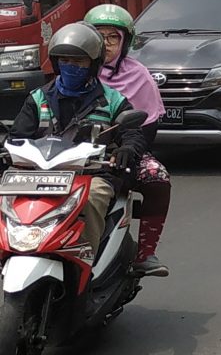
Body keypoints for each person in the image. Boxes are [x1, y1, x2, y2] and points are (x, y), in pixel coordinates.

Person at [7, 23, 148, 264]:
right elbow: (17, 137)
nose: (71, 67)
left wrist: (127, 148)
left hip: (89, 174)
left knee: (94, 197)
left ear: (93, 64)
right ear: (55, 62)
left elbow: (133, 132)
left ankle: (85, 263)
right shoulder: (37, 98)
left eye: (79, 61)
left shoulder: (113, 100)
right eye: (65, 60)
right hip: (38, 175)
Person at [85, 4, 172, 277]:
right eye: (100, 37)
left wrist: (125, 151)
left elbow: (147, 128)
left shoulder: (139, 75)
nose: (107, 44)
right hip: (74, 154)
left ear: (125, 42)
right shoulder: (75, 71)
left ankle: (145, 253)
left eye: (114, 37)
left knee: (157, 177)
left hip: (123, 152)